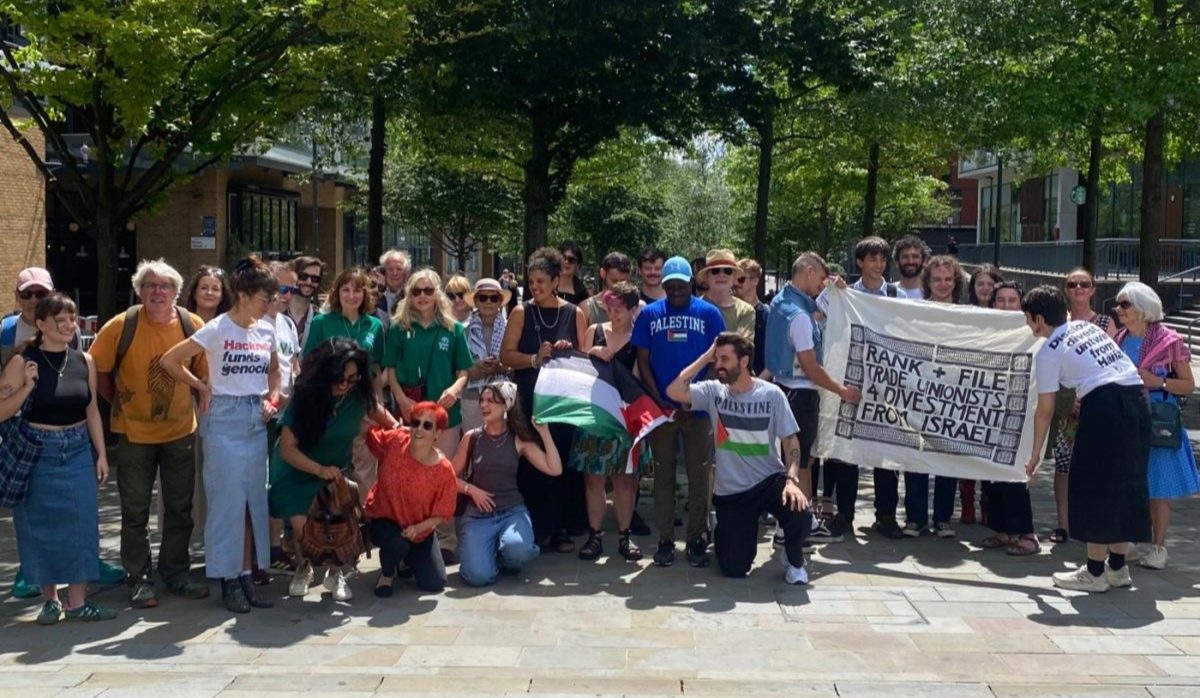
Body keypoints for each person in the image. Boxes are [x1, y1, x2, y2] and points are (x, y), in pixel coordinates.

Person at [161, 256, 281, 613]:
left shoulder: (267, 329)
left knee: (252, 501)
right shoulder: (218, 329)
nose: (268, 306)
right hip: (223, 417)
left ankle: (246, 573)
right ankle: (228, 578)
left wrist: (272, 398)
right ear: (243, 295)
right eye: (264, 299)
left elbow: (275, 371)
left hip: (254, 418)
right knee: (227, 502)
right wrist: (201, 386)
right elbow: (171, 360)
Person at [89, 259, 209, 609]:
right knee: (135, 511)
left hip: (179, 432)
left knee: (179, 507)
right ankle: (139, 579)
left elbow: (203, 373)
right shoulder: (120, 326)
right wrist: (121, 403)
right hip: (133, 435)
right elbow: (99, 372)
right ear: (139, 290)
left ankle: (175, 573)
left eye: (165, 286)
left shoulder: (192, 324)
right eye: (150, 285)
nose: (158, 292)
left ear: (176, 292)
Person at [1024, 285, 1148, 593]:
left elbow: (1046, 410)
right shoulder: (1084, 327)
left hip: (1104, 406)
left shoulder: (1049, 350)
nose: (1028, 327)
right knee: (1125, 483)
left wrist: (1036, 453)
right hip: (1136, 402)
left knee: (1095, 486)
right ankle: (1118, 568)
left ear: (1038, 320)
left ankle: (1094, 572)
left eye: (1027, 320)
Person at [1, 293, 116, 623]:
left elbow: (92, 409)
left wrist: (101, 454)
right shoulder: (24, 361)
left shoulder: (85, 361)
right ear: (41, 324)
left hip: (78, 447)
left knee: (82, 524)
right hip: (38, 450)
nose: (68, 325)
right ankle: (49, 599)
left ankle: (77, 602)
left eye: (71, 319)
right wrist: (26, 388)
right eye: (59, 320)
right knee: (38, 526)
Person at [666, 333, 818, 583]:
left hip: (769, 482)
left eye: (725, 359)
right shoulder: (714, 392)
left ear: (744, 361)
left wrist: (791, 480)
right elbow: (674, 390)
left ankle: (793, 559)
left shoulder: (772, 395)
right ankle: (724, 528)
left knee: (800, 510)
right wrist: (705, 358)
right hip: (732, 492)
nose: (719, 365)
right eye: (717, 359)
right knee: (734, 569)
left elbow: (791, 441)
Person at [270, 338, 399, 601]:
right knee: (306, 532)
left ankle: (335, 573)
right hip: (297, 470)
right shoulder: (304, 398)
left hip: (336, 471)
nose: (344, 384)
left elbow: (383, 417)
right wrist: (318, 470)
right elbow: (287, 449)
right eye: (339, 378)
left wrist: (403, 434)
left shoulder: (358, 397)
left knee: (336, 526)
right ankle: (303, 569)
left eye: (352, 379)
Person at [632, 256, 725, 567]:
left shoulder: (709, 314)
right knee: (664, 477)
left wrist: (696, 398)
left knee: (700, 476)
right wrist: (658, 398)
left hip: (698, 412)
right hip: (662, 411)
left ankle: (697, 538)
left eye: (680, 286)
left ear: (691, 283)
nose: (674, 292)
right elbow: (642, 359)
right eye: (669, 286)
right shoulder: (650, 315)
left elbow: (717, 360)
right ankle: (665, 539)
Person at [764, 252, 861, 545]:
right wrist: (843, 391)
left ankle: (798, 522)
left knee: (794, 461)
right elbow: (811, 367)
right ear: (807, 271)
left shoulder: (782, 302)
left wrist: (836, 290)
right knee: (800, 461)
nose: (822, 284)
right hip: (801, 394)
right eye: (820, 278)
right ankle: (796, 526)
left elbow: (818, 309)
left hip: (784, 389)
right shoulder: (800, 317)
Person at [500, 247, 589, 552]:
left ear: (555, 281)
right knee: (532, 462)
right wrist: (535, 359)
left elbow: (584, 358)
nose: (535, 287)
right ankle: (535, 526)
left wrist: (568, 349)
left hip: (563, 401)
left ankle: (561, 527)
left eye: (541, 281)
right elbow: (506, 355)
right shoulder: (521, 311)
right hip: (529, 399)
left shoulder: (574, 313)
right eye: (531, 282)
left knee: (562, 459)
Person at [386, 269, 473, 563]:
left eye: (428, 290)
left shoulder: (453, 329)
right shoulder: (399, 328)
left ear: (437, 293)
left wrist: (455, 388)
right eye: (416, 291)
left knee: (443, 474)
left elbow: (465, 371)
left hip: (445, 413)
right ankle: (410, 538)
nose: (422, 296)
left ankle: (445, 540)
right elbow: (390, 370)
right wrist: (400, 398)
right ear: (408, 295)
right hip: (412, 414)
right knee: (409, 476)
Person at [1112, 282, 1198, 570]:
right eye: (1118, 304)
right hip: (1126, 417)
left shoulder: (1170, 341)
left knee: (1159, 486)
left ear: (1143, 308)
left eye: (1125, 305)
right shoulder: (1119, 339)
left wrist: (1158, 381)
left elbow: (1188, 385)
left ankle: (1158, 547)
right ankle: (1134, 540)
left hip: (1159, 417)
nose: (1119, 310)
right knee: (1131, 482)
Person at [454, 382, 562, 585]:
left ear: (506, 406)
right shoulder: (472, 437)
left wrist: (544, 432)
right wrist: (470, 489)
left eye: (491, 401)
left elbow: (554, 469)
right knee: (478, 577)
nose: (484, 406)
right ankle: (487, 554)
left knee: (519, 552)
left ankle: (505, 554)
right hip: (477, 516)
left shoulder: (518, 440)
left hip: (511, 512)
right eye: (482, 401)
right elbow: (447, 478)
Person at [575, 282, 648, 561]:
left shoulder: (639, 337)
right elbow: (579, 367)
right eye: (610, 308)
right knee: (593, 478)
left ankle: (624, 535)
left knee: (625, 480)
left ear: (633, 309)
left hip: (625, 415)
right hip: (595, 412)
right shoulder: (594, 332)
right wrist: (591, 352)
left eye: (620, 309)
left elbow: (641, 377)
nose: (614, 314)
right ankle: (595, 535)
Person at [1048, 267, 1117, 544]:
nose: (1078, 289)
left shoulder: (1104, 323)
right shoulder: (1059, 322)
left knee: (1096, 466)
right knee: (1063, 466)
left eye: (1084, 284)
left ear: (1093, 289)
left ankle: (1092, 523)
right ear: (1066, 289)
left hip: (1095, 401)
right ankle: (1063, 524)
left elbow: (1110, 363)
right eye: (1073, 284)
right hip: (1066, 405)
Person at [365, 402, 458, 596]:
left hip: (420, 529)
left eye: (427, 425)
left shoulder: (444, 470)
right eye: (415, 423)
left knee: (435, 582)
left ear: (437, 434)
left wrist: (419, 528)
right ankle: (387, 574)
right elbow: (369, 435)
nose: (418, 429)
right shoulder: (396, 440)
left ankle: (404, 559)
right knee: (397, 543)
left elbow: (443, 512)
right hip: (385, 520)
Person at [901, 255, 964, 539]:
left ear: (956, 282)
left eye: (948, 279)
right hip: (919, 390)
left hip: (953, 393)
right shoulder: (915, 312)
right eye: (937, 279)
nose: (942, 284)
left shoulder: (968, 315)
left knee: (948, 453)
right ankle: (915, 517)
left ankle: (943, 518)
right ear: (927, 282)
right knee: (916, 452)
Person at [845, 237, 903, 539]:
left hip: (887, 382)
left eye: (882, 260)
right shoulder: (846, 294)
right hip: (853, 378)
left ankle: (886, 514)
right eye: (872, 259)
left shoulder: (897, 295)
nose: (878, 265)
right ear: (860, 262)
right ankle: (844, 513)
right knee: (848, 447)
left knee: (886, 450)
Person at [978, 281, 1040, 556]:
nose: (1005, 305)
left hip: (1020, 411)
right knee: (992, 474)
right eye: (1000, 300)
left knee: (1015, 473)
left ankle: (1027, 533)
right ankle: (1002, 529)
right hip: (989, 409)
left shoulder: (1032, 332)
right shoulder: (985, 330)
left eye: (1011, 300)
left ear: (1021, 303)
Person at [960, 264, 1005, 526]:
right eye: (981, 284)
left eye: (990, 284)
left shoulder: (1011, 316)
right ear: (973, 288)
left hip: (997, 391)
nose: (986, 288)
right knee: (968, 446)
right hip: (970, 390)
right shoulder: (966, 315)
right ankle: (966, 501)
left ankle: (988, 503)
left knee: (991, 450)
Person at [265, 261, 303, 573]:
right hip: (262, 417)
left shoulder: (287, 324)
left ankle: (276, 548)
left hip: (287, 415)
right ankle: (262, 552)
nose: (285, 295)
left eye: (289, 289)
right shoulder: (251, 324)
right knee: (262, 484)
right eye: (280, 288)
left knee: (280, 482)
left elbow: (294, 365)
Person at [461, 278, 511, 434]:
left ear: (500, 302)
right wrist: (473, 370)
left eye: (493, 298)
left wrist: (501, 367)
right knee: (473, 443)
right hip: (472, 396)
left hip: (502, 396)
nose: (488, 302)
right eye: (483, 298)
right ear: (475, 302)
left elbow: (516, 363)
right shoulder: (463, 330)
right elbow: (455, 366)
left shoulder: (511, 327)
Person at [699, 249, 756, 341]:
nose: (721, 275)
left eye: (728, 271)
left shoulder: (746, 311)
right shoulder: (694, 308)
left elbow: (739, 348)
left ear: (734, 277)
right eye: (715, 270)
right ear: (706, 277)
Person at [733, 258, 768, 375]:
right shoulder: (729, 311)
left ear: (755, 281)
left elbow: (775, 354)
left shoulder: (767, 314)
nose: (736, 284)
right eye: (734, 279)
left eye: (741, 279)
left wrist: (759, 382)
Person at [580, 252, 634, 325]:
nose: (618, 286)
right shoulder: (587, 308)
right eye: (614, 281)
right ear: (603, 273)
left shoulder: (635, 307)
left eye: (622, 281)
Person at [288, 255, 325, 347]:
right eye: (303, 276)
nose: (309, 282)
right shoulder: (276, 313)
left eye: (315, 279)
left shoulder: (320, 319)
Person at [891, 235, 929, 300]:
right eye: (905, 257)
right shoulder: (887, 293)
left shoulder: (932, 293)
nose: (910, 261)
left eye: (915, 257)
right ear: (897, 262)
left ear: (924, 261)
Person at [556, 241, 590, 305]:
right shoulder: (547, 283)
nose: (566, 262)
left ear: (578, 265)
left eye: (571, 260)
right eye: (563, 257)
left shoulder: (582, 293)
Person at [379, 249, 411, 316]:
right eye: (390, 269)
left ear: (406, 272)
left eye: (399, 269)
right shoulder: (377, 296)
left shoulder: (413, 295)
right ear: (384, 271)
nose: (394, 273)